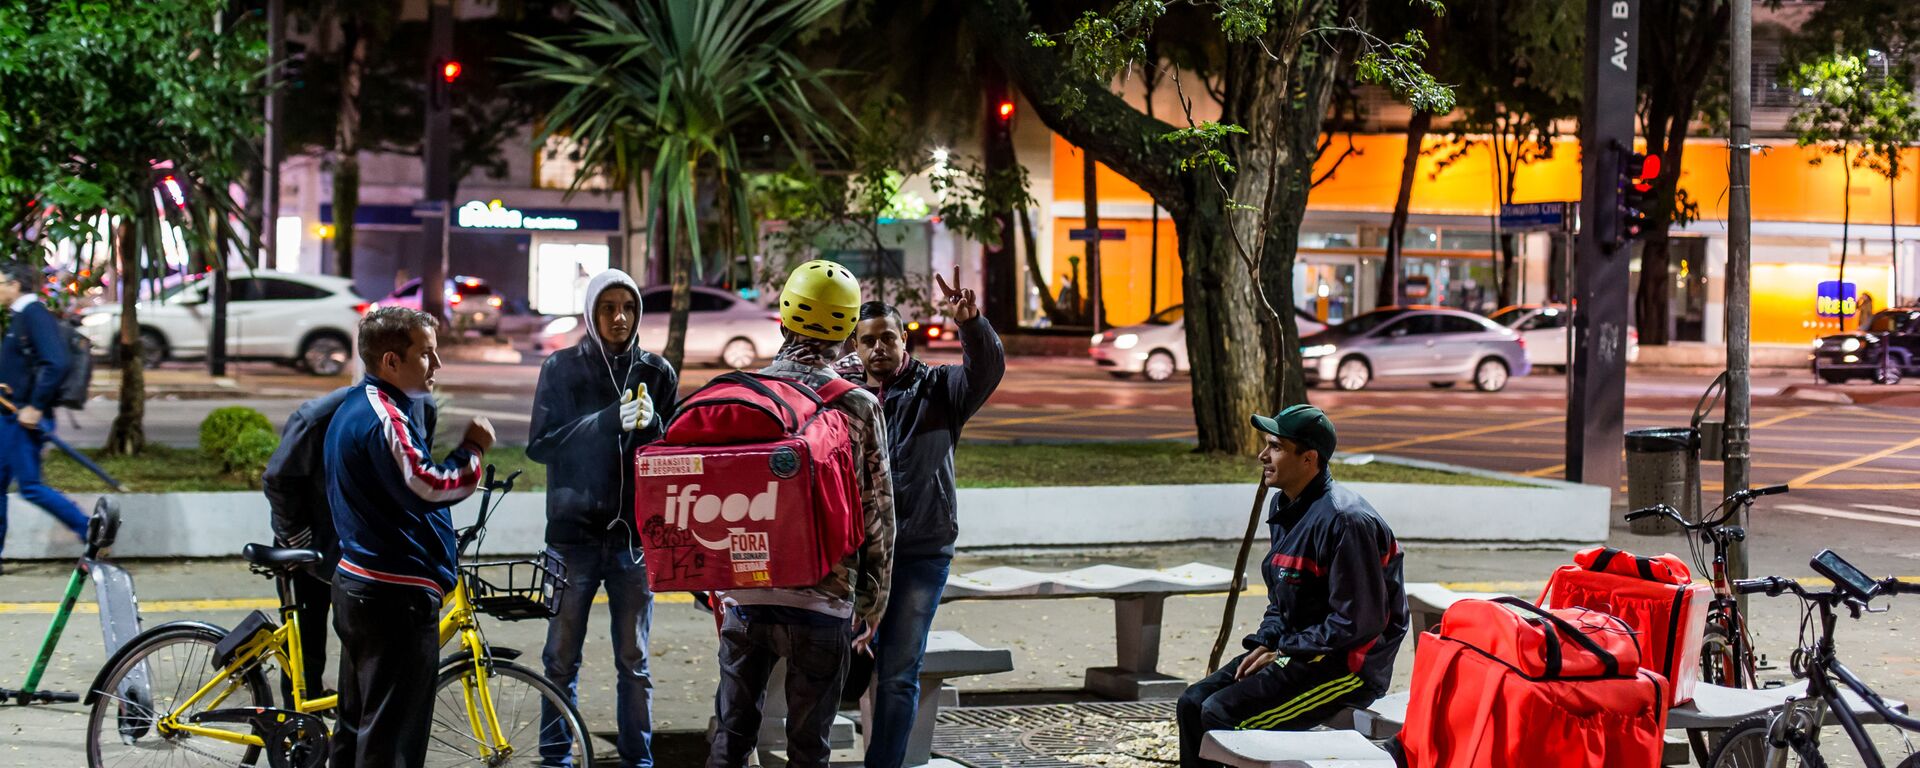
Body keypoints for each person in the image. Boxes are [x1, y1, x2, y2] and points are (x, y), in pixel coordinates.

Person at [707, 259, 895, 768]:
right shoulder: (857, 405)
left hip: (747, 594)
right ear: (849, 331)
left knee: (732, 739)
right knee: (809, 748)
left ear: (784, 322)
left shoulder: (747, 391)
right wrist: (872, 602)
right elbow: (877, 509)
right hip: (824, 599)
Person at [834, 270, 1003, 768]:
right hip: (858, 551)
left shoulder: (939, 387)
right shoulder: (842, 396)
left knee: (900, 670)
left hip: (921, 551)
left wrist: (971, 324)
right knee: (841, 663)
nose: (879, 348)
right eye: (868, 341)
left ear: (903, 339)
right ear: (856, 346)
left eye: (888, 337)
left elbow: (986, 370)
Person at [1175, 405, 1407, 768]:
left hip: (1347, 669)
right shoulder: (1287, 505)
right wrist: (1269, 641)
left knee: (1221, 717)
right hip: (1299, 652)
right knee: (1192, 703)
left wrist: (1284, 647)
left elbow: (1358, 623)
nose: (1262, 456)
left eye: (1276, 447)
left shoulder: (1346, 521)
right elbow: (1282, 599)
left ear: (1308, 458)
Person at [325, 307, 494, 768]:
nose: (436, 365)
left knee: (358, 727)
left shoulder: (359, 407)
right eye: (426, 354)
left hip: (364, 587)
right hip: (392, 595)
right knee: (391, 740)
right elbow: (428, 485)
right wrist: (472, 452)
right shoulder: (384, 416)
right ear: (391, 362)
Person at [527, 269, 678, 768]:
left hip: (633, 540)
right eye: (608, 307)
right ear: (591, 314)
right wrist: (606, 420)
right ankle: (556, 758)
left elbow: (671, 457)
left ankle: (639, 760)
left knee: (634, 662)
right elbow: (541, 446)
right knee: (560, 658)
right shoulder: (562, 367)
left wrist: (655, 428)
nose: (619, 317)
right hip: (573, 537)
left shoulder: (657, 371)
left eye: (629, 307)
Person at [261, 382, 393, 702]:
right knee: (305, 653)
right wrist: (298, 538)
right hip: (310, 551)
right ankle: (297, 741)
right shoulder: (318, 417)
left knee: (367, 649)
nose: (435, 365)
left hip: (362, 553)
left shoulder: (418, 410)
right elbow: (277, 479)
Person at [0, 260, 87, 574]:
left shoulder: (34, 315)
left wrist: (35, 406)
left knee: (31, 486)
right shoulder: (20, 317)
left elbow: (56, 362)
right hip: (9, 416)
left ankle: (90, 531)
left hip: (23, 417)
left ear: (14, 285)